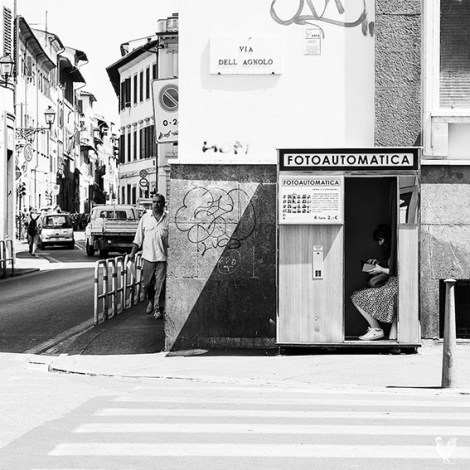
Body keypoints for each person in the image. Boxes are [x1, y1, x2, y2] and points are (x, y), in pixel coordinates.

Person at [351, 223, 398, 341]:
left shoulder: (397, 250)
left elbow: (399, 271)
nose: (380, 243)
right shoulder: (393, 250)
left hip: (393, 288)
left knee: (357, 297)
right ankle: (375, 329)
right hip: (391, 286)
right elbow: (392, 268)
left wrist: (380, 269)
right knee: (357, 296)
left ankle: (376, 329)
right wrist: (378, 265)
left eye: (381, 240)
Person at [128, 194, 169, 319]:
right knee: (147, 284)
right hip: (148, 257)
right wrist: (132, 253)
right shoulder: (145, 218)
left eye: (159, 202)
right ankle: (151, 300)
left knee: (160, 285)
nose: (156, 204)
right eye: (154, 202)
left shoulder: (168, 219)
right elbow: (138, 238)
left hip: (162, 257)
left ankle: (158, 309)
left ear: (163, 204)